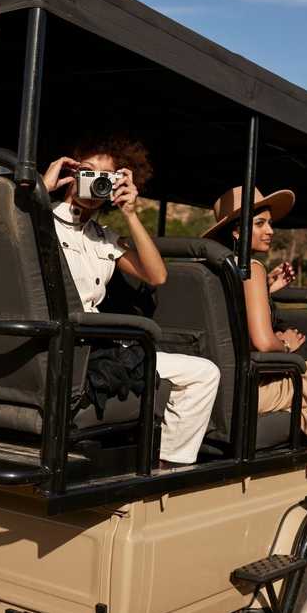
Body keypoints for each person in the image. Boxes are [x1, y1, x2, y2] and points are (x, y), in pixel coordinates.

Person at [43, 135, 219, 469]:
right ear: (72, 172)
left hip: (99, 344)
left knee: (203, 372)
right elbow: (9, 225)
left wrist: (131, 213)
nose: (95, 181)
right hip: (67, 344)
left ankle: (166, 464)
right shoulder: (42, 221)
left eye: (105, 177)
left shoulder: (103, 237)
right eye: (88, 171)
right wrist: (41, 186)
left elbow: (156, 276)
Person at [203, 186, 307, 449]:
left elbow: (231, 310)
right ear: (237, 231)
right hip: (252, 388)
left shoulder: (215, 268)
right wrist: (286, 346)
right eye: (260, 223)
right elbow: (263, 343)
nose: (270, 231)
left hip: (217, 387)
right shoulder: (252, 267)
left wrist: (266, 290)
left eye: (270, 224)